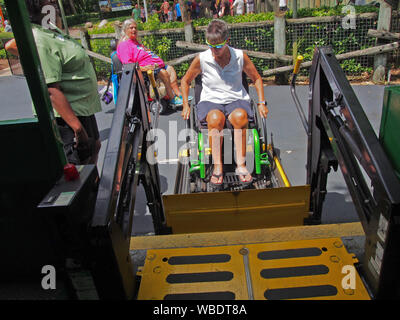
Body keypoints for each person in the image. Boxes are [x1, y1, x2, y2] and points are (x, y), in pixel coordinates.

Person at [5, 0, 101, 165]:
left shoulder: (51, 30)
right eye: (46, 1)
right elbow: (51, 90)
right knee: (78, 165)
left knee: (94, 149)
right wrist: (77, 128)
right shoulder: (39, 39)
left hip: (83, 107)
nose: (52, 3)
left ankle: (94, 187)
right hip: (68, 116)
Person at [180, 19, 268, 186]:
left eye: (218, 46)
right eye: (211, 45)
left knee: (241, 117)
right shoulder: (202, 59)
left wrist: (261, 102)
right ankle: (217, 167)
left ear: (227, 41)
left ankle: (241, 165)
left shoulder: (240, 56)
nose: (214, 50)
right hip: (210, 100)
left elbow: (256, 78)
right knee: (214, 119)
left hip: (236, 98)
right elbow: (185, 81)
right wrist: (185, 104)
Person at [117, 19, 192, 106]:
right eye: (131, 28)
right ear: (125, 30)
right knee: (164, 73)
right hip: (145, 71)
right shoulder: (124, 45)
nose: (134, 30)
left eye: (135, 28)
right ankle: (172, 99)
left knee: (170, 69)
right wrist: (145, 68)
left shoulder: (135, 42)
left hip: (155, 66)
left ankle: (178, 95)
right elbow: (128, 65)